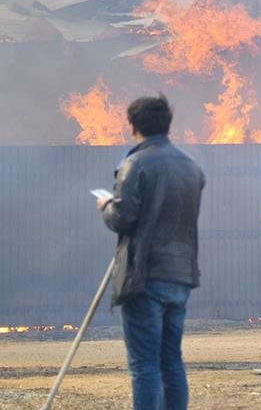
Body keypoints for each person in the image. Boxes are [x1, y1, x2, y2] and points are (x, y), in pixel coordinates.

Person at [96, 94, 205, 410]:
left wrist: (106, 206)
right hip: (182, 276)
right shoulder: (191, 167)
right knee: (171, 359)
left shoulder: (136, 164)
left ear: (133, 126)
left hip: (145, 276)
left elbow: (124, 218)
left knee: (145, 365)